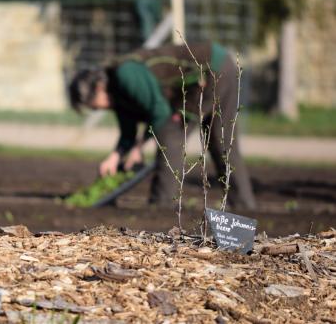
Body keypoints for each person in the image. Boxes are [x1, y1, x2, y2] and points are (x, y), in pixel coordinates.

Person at [68, 41, 257, 210]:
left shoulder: (126, 75)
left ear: (99, 87)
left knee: (173, 136)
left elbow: (160, 113)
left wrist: (139, 147)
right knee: (219, 143)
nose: (94, 109)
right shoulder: (118, 97)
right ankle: (245, 205)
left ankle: (162, 206)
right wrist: (114, 157)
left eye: (91, 105)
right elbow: (128, 133)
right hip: (208, 74)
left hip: (212, 69)